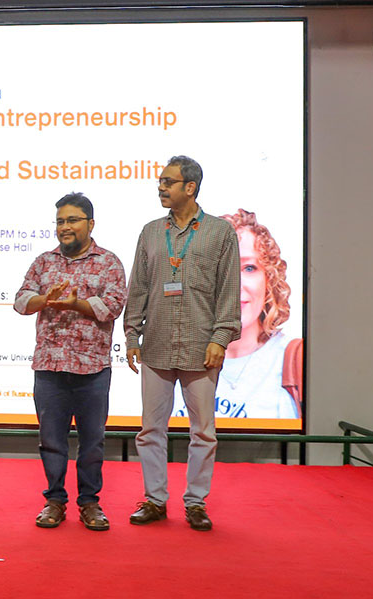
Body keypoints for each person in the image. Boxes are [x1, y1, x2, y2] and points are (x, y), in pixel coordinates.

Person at [123, 155, 240, 532]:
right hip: (156, 344)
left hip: (201, 347)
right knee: (150, 431)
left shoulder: (220, 232)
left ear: (190, 187)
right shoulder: (150, 232)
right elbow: (138, 287)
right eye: (160, 181)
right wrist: (131, 333)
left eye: (168, 181)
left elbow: (229, 291)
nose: (160, 187)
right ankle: (155, 500)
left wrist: (221, 338)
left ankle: (196, 502)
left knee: (203, 431)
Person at [13, 193, 126, 531]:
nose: (65, 227)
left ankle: (90, 503)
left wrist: (78, 305)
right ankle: (55, 501)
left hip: (92, 369)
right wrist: (43, 300)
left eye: (73, 220)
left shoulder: (108, 262)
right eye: (60, 221)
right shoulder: (43, 262)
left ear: (90, 224)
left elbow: (113, 306)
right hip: (49, 366)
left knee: (92, 442)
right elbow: (21, 301)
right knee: (51, 441)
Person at [216, 209, 302, 419]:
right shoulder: (173, 362)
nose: (234, 285)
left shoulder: (294, 359)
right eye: (219, 269)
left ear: (269, 279)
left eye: (249, 268)